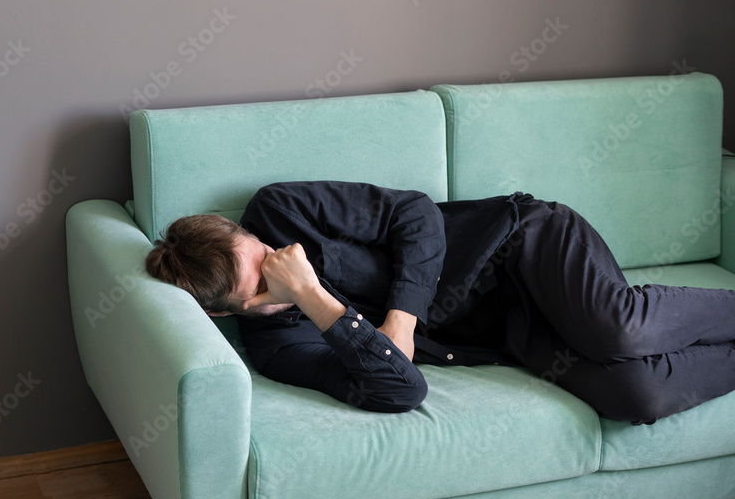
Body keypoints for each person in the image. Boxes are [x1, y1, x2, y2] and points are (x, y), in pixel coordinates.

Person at [144, 180, 735, 424]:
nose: (280, 261)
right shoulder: (276, 347)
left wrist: (401, 318)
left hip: (519, 247)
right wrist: (312, 296)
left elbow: (415, 212)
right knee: (638, 396)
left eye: (264, 250)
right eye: (264, 283)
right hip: (506, 334)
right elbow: (401, 390)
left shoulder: (280, 210)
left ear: (240, 230)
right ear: (225, 313)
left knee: (618, 331)